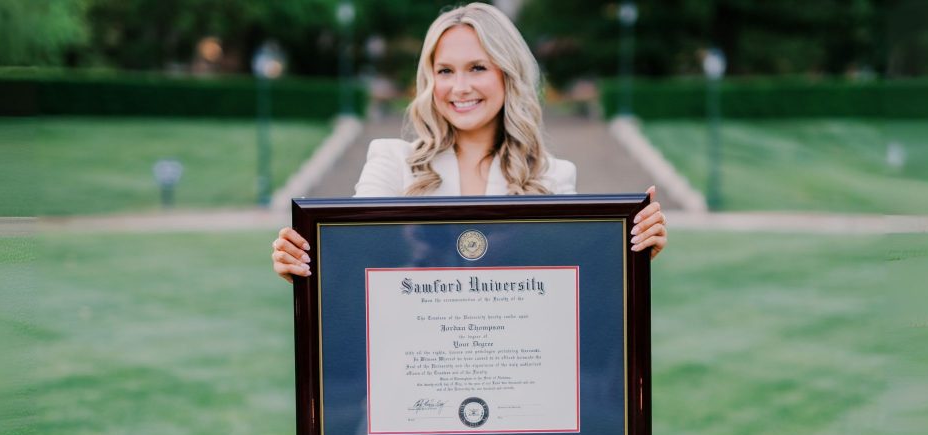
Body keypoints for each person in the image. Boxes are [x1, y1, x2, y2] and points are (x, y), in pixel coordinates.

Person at [273, 3, 666, 280]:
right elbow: (348, 262)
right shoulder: (391, 163)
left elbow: (575, 287)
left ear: (506, 75)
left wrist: (634, 252)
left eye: (477, 67)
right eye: (445, 71)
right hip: (414, 377)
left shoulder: (553, 178)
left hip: (514, 383)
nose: (459, 88)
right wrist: (301, 267)